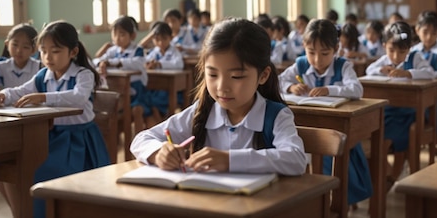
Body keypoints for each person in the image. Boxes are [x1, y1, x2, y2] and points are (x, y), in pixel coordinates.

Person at [130, 18, 306, 176]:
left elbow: (296, 158)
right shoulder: (202, 111)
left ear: (263, 75)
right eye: (212, 75)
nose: (222, 87)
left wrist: (229, 160)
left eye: (236, 76)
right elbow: (141, 139)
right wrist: (160, 152)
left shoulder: (276, 116)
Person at [0, 21, 110, 217]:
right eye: (43, 51)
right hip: (49, 137)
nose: (47, 57)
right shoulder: (43, 75)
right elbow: (20, 91)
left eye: (55, 51)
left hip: (78, 142)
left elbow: (78, 98)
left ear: (73, 52)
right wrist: (2, 96)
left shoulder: (83, 74)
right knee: (3, 160)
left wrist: (44, 97)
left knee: (41, 172)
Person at [278, 19, 370, 206]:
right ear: (304, 47)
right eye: (311, 52)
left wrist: (330, 89)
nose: (317, 59)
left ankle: (334, 199)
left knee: (330, 149)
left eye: (325, 53)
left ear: (336, 49)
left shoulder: (343, 65)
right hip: (306, 124)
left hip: (335, 126)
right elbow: (279, 81)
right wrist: (291, 87)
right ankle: (308, 199)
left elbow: (356, 89)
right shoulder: (301, 65)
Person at [365, 21, 433, 177]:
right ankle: (389, 175)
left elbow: (429, 73)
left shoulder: (415, 58)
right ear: (384, 46)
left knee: (388, 141)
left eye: (402, 52)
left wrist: (408, 73)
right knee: (379, 141)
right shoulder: (384, 60)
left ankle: (392, 176)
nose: (396, 56)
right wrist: (381, 69)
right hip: (388, 112)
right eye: (391, 50)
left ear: (409, 49)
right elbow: (369, 70)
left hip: (410, 113)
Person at [93, 16, 148, 131]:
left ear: (132, 35)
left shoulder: (137, 50)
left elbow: (137, 63)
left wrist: (112, 62)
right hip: (118, 90)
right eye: (114, 34)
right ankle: (114, 142)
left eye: (122, 34)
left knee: (136, 110)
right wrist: (102, 63)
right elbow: (96, 61)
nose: (117, 38)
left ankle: (137, 141)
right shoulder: (113, 50)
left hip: (136, 91)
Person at [410, 10, 437, 135]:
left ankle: (432, 138)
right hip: (418, 96)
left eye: (433, 33)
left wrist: (428, 74)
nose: (429, 37)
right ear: (417, 30)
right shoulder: (413, 50)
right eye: (425, 32)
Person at [144, 22, 185, 127]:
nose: (161, 42)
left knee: (155, 102)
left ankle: (161, 125)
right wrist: (148, 65)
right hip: (155, 89)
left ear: (170, 38)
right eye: (157, 40)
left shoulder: (174, 51)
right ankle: (160, 125)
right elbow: (145, 61)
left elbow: (179, 64)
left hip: (169, 91)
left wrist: (159, 64)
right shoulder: (154, 51)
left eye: (164, 39)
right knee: (147, 99)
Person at [0, 23, 41, 88]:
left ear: (33, 50)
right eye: (15, 45)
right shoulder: (1, 67)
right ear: (7, 44)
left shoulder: (39, 67)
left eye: (25, 47)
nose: (19, 51)